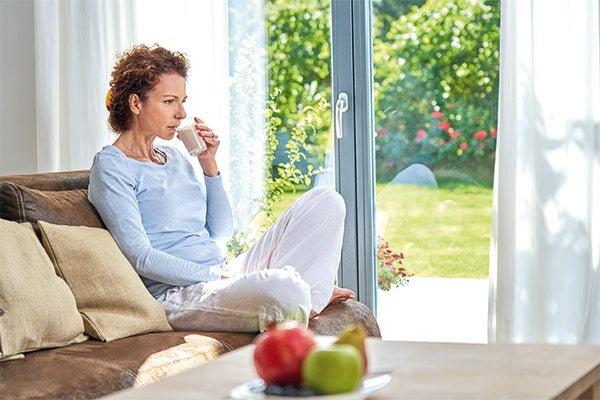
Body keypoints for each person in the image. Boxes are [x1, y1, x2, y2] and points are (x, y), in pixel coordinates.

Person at [88, 44, 354, 332]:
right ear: (136, 104)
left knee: (326, 200)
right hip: (179, 293)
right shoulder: (112, 166)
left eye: (183, 100)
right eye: (169, 101)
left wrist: (208, 164)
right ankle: (309, 298)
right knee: (284, 289)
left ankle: (306, 299)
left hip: (223, 273)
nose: (181, 113)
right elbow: (140, 256)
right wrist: (213, 277)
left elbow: (221, 231)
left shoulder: (175, 157)